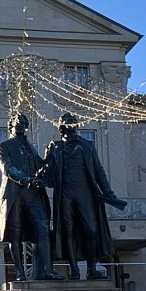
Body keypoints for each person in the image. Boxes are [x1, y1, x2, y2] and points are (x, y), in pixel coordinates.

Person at [37, 112, 127, 280]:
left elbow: (99, 171)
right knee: (68, 231)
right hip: (65, 194)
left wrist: (108, 193)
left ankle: (92, 268)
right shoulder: (55, 148)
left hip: (85, 193)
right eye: (66, 123)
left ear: (77, 126)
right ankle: (75, 270)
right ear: (61, 127)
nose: (70, 125)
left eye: (72, 122)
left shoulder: (87, 146)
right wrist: (40, 174)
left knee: (91, 230)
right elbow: (46, 174)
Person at [0, 113, 64, 281]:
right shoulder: (3, 146)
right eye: (17, 122)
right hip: (14, 193)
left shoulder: (30, 147)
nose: (21, 125)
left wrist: (49, 157)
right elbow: (8, 168)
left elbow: (41, 168)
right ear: (10, 125)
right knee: (15, 233)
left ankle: (47, 270)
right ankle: (19, 272)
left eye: (24, 123)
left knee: (42, 228)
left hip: (33, 194)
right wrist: (26, 180)